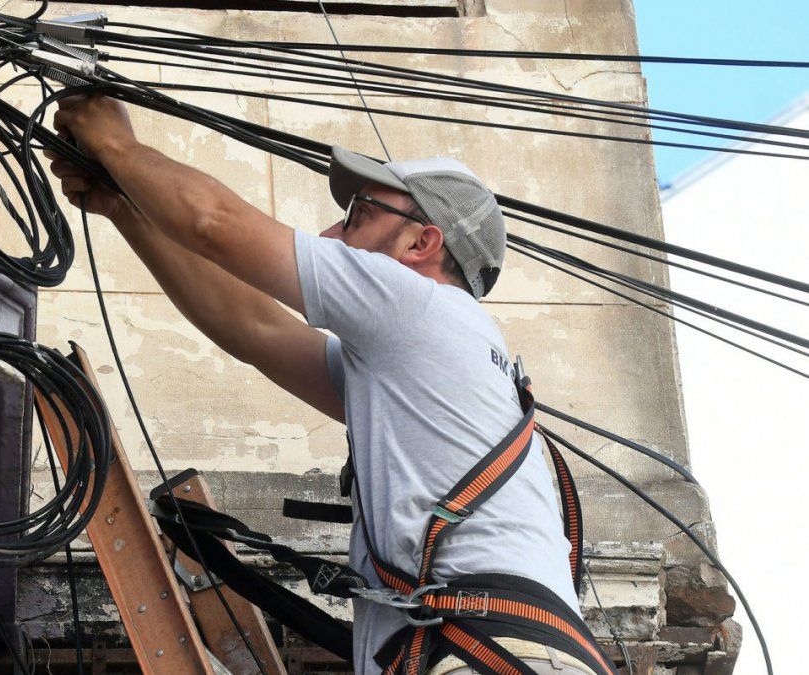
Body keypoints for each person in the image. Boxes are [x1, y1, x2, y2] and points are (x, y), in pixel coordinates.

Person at [47, 94, 597, 675]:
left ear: (421, 244)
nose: (331, 232)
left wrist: (117, 145)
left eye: (359, 215)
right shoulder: (427, 355)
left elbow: (214, 224)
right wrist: (128, 206)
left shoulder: (414, 304)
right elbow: (254, 328)